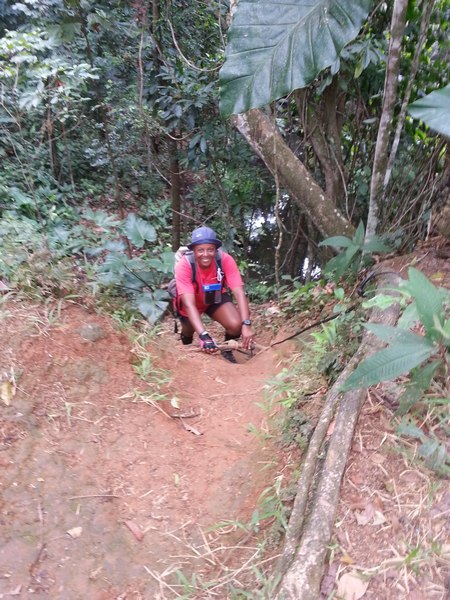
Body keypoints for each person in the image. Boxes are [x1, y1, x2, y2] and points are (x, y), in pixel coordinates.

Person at [174, 226, 254, 360]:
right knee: (188, 332)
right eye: (200, 250)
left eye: (210, 250)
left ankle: (227, 349)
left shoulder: (224, 260)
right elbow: (189, 304)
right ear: (193, 250)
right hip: (191, 301)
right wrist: (204, 335)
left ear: (215, 249)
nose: (205, 254)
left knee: (236, 325)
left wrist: (246, 324)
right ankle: (187, 351)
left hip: (213, 296)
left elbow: (239, 292)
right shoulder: (184, 265)